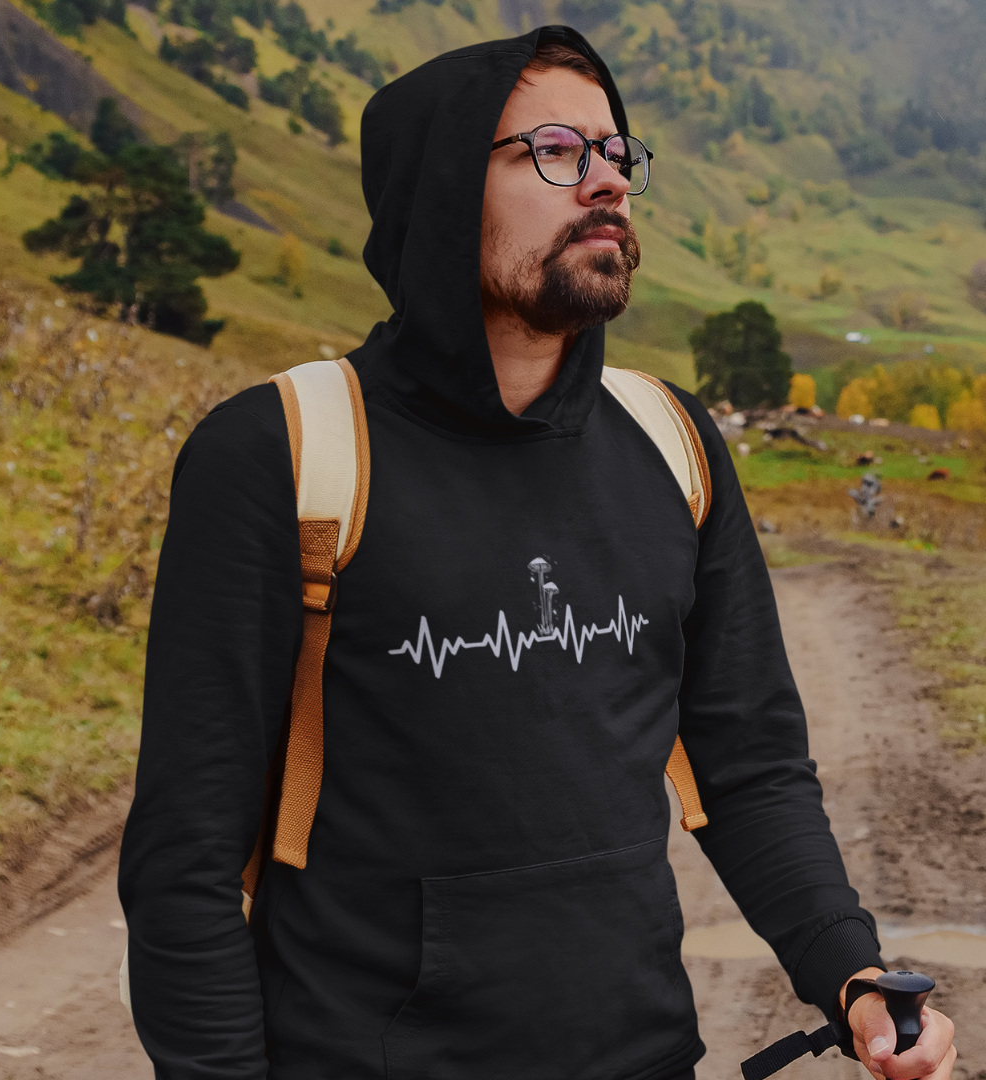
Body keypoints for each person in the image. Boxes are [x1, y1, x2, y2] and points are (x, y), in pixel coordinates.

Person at [118, 25, 957, 1080]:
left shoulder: (672, 441)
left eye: (617, 153)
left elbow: (750, 770)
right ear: (439, 189)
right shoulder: (280, 452)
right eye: (556, 150)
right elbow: (185, 859)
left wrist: (852, 973)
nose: (604, 181)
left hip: (644, 1057)